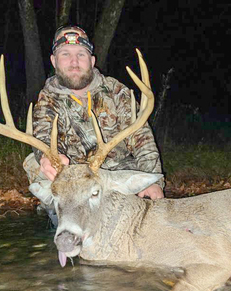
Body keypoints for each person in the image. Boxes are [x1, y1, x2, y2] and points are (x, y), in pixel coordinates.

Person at [23, 25, 164, 224]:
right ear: (54, 61)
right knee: (34, 162)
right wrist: (47, 157)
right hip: (73, 181)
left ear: (92, 60)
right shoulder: (47, 100)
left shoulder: (116, 91)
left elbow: (142, 139)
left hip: (113, 176)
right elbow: (42, 136)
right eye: (65, 54)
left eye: (81, 54)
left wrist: (152, 181)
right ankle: (61, 215)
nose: (74, 62)